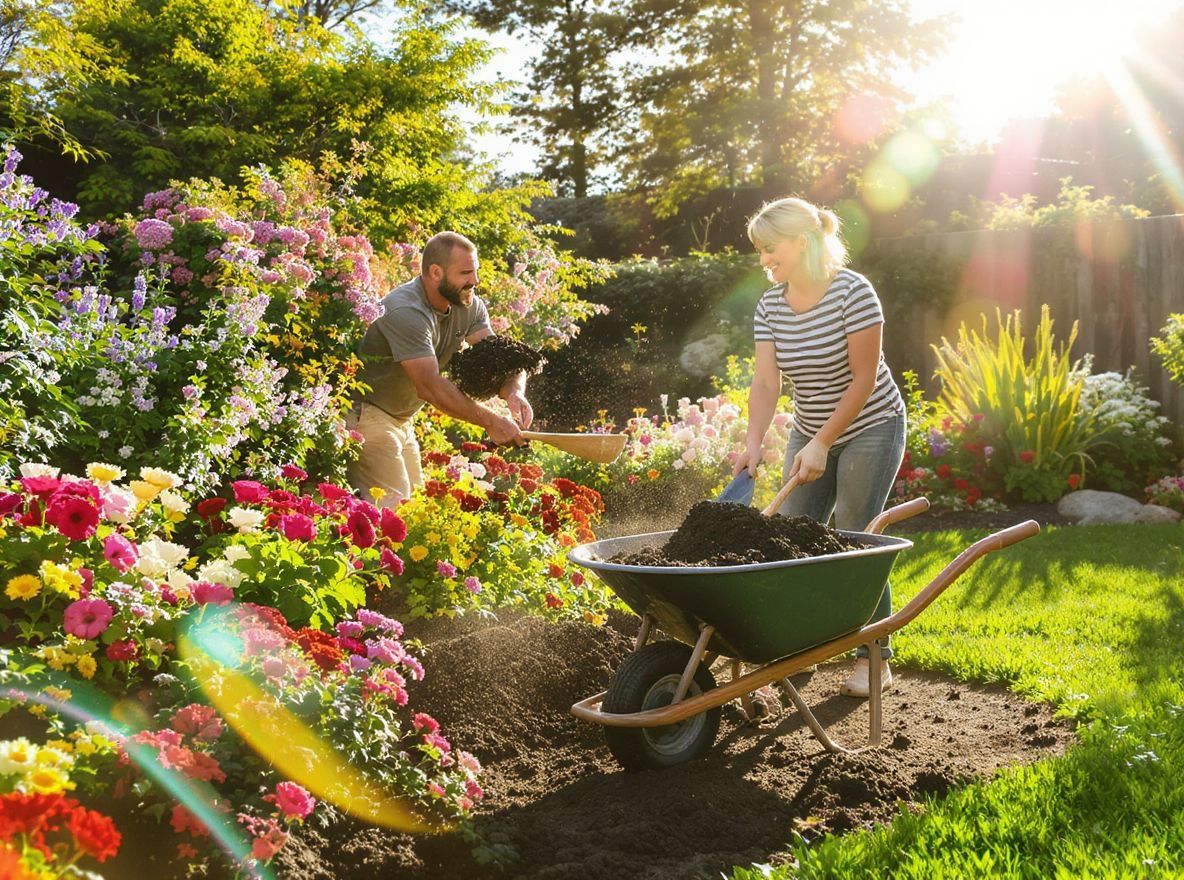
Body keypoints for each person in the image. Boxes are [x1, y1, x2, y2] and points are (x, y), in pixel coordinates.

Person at [732, 197, 906, 699]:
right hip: (810, 426)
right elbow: (766, 382)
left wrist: (824, 443)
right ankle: (800, 647)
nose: (763, 259)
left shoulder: (854, 292)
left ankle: (876, 659)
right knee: (793, 538)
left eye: (770, 248)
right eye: (760, 251)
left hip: (872, 423)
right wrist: (753, 442)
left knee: (854, 534)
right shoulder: (771, 304)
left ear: (802, 242)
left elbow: (864, 378)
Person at [349, 231, 532, 508]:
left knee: (419, 512)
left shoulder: (467, 304)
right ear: (435, 272)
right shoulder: (406, 311)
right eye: (465, 273)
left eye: (475, 271)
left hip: (401, 420)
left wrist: (514, 393)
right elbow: (429, 385)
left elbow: (500, 358)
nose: (475, 281)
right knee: (394, 513)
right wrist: (492, 421)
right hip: (367, 415)